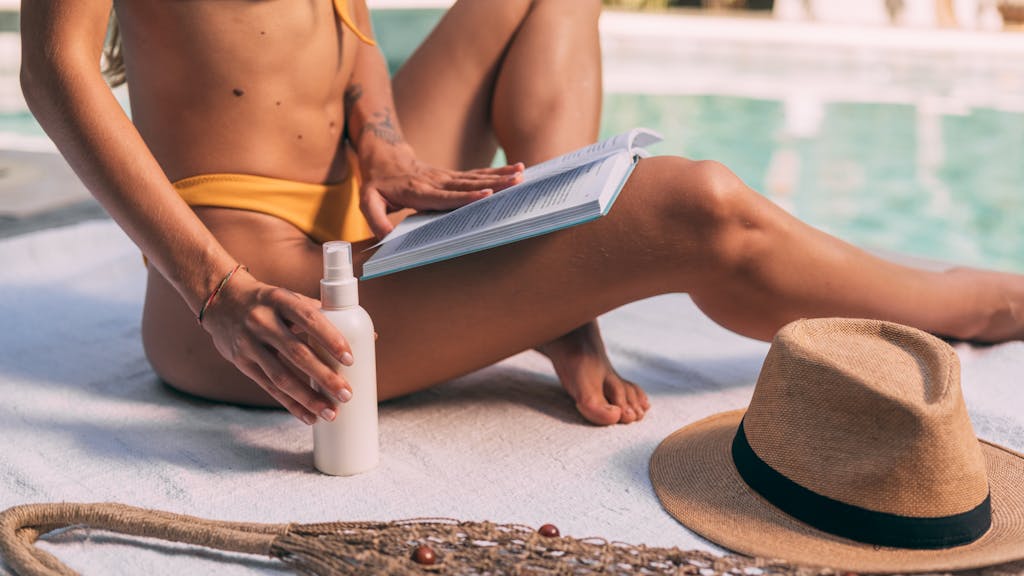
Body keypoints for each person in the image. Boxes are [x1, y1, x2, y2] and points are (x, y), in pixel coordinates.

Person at [21, 0, 1024, 430]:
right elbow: (56, 72)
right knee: (701, 207)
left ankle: (558, 301)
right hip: (263, 277)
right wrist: (215, 293)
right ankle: (963, 307)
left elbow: (348, 35)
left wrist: (383, 142)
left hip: (361, 203)